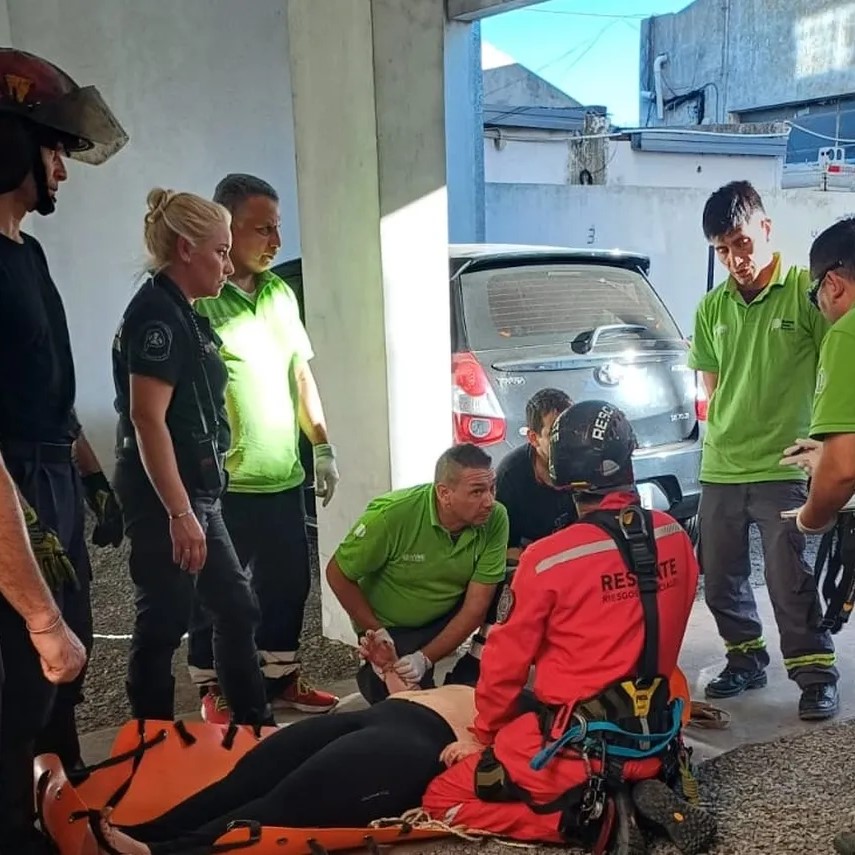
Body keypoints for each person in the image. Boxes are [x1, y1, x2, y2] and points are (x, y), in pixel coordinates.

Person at [421, 401, 715, 853]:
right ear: (629, 457)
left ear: (560, 473)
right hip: (655, 737)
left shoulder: (548, 559)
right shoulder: (675, 537)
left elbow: (504, 665)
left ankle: (594, 820)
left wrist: (485, 737)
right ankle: (639, 791)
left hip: (578, 749)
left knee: (444, 795)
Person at [0, 48, 128, 853]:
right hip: (8, 493)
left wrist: (91, 476)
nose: (64, 170)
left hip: (46, 473)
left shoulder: (28, 252)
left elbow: (48, 388)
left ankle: (62, 802)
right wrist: (40, 614)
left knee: (63, 676)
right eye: (53, 149)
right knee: (23, 672)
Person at [111, 189, 272, 729]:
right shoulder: (155, 317)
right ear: (186, 250)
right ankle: (148, 742)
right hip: (167, 497)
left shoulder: (186, 314)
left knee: (235, 605)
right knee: (163, 621)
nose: (228, 265)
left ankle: (255, 728)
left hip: (197, 492)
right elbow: (146, 418)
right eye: (220, 252)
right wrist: (180, 513)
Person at [85, 635, 479, 855]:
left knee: (286, 802)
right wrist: (389, 669)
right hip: (384, 715)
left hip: (415, 742)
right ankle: (140, 832)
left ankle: (161, 853)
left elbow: (532, 758)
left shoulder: (532, 704)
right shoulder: (490, 682)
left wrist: (482, 755)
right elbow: (416, 695)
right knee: (244, 779)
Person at [188, 174, 339, 723]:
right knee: (219, 595)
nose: (276, 240)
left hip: (282, 475)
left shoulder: (279, 294)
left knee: (288, 586)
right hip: (227, 481)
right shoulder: (203, 299)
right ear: (228, 229)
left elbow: (301, 374)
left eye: (278, 227)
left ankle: (280, 679)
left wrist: (322, 446)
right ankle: (213, 687)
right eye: (262, 229)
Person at [687, 180, 838, 720]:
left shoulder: (807, 293)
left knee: (786, 575)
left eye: (741, 243)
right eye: (722, 250)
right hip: (722, 466)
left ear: (765, 229)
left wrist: (827, 445)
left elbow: (837, 368)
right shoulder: (712, 307)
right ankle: (745, 658)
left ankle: (815, 672)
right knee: (720, 573)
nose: (735, 259)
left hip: (786, 464)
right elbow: (712, 382)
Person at [326, 443, 509, 704]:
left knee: (511, 587)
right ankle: (377, 667)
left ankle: (470, 671)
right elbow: (337, 573)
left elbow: (475, 607)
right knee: (400, 701)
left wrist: (426, 657)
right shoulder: (391, 516)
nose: (490, 501)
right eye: (477, 491)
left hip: (448, 613)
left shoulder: (497, 517)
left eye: (492, 488)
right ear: (444, 493)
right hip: (394, 625)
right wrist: (378, 632)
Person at [496, 387, 576, 559]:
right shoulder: (510, 476)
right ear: (533, 438)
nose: (566, 441)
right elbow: (503, 549)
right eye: (554, 434)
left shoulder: (587, 459)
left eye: (570, 430)